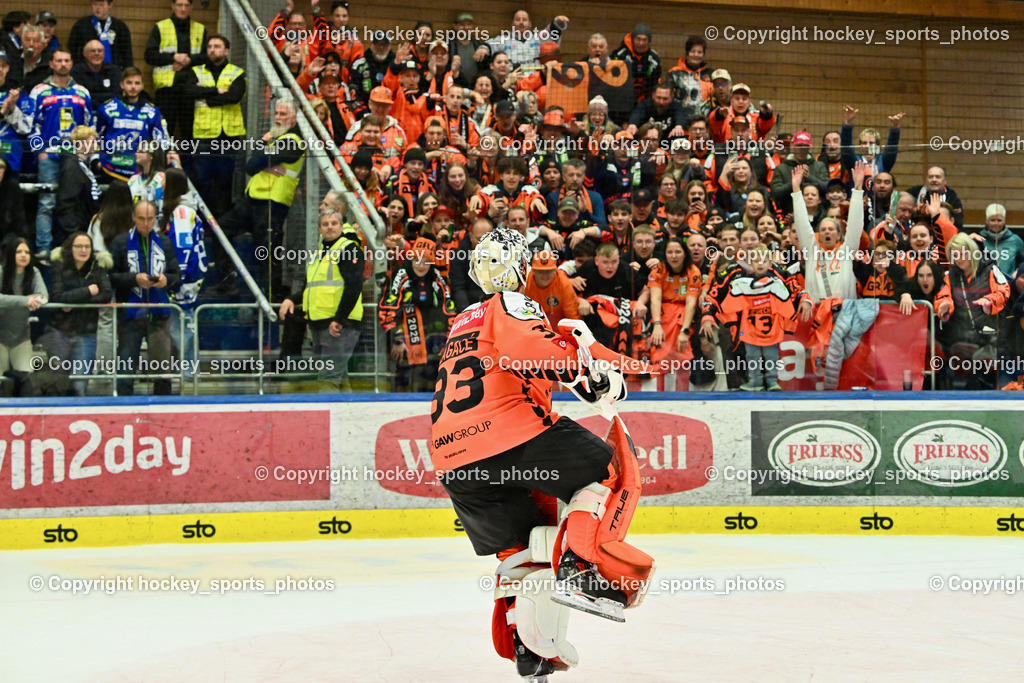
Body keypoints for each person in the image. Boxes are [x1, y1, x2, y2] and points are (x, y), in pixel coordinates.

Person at [431, 226, 653, 679]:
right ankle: (580, 563)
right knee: (607, 467)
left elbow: (518, 365)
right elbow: (533, 348)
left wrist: (589, 366)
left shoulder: (462, 321)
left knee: (523, 550)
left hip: (454, 459)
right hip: (507, 435)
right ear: (518, 267)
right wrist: (588, 376)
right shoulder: (510, 303)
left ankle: (529, 652)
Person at [215, 98, 305, 300]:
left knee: (268, 252)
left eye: (283, 114)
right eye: (277, 114)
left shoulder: (293, 141)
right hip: (253, 200)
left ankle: (272, 297)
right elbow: (252, 164)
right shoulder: (272, 139)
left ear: (293, 118)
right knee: (220, 229)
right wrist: (263, 146)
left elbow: (255, 163)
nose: (278, 118)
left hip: (273, 204)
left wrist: (262, 155)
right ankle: (227, 283)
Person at [278, 209, 365, 392]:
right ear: (319, 229)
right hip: (320, 324)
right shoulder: (319, 254)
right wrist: (291, 299)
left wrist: (339, 319)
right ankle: (351, 416)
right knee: (338, 379)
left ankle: (333, 419)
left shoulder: (349, 249)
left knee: (328, 379)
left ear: (342, 226)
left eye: (334, 223)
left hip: (339, 325)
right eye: (325, 224)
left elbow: (354, 287)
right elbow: (309, 288)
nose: (330, 227)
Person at [109, 200, 180, 395]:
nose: (146, 223)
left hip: (159, 315)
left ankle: (164, 406)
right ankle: (123, 404)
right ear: (133, 217)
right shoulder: (120, 242)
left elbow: (176, 276)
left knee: (163, 367)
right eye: (141, 219)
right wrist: (134, 279)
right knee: (126, 364)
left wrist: (167, 279)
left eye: (150, 219)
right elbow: (110, 277)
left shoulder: (164, 242)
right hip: (130, 315)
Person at [29, 48, 93, 258]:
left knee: (74, 203)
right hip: (49, 156)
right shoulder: (39, 91)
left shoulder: (83, 92)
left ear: (72, 63)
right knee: (46, 203)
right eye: (59, 61)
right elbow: (31, 124)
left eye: (67, 60)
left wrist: (86, 153)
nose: (63, 64)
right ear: (52, 64)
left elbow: (89, 125)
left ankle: (71, 248)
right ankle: (43, 249)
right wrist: (40, 150)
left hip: (74, 158)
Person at [378, 235, 456, 392]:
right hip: (404, 344)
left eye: (426, 261)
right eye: (417, 260)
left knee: (433, 389)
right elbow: (388, 309)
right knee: (403, 387)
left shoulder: (438, 277)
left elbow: (450, 311)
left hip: (433, 344)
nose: (421, 265)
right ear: (411, 258)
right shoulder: (399, 274)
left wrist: (448, 343)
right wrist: (397, 339)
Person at [720, 243, 802, 391]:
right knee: (752, 356)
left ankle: (772, 381)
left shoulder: (777, 284)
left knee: (771, 356)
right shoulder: (742, 283)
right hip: (750, 328)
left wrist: (790, 326)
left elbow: (787, 306)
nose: (760, 264)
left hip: (771, 329)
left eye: (764, 261)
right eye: (757, 260)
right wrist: (728, 320)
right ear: (751, 263)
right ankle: (755, 381)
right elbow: (729, 305)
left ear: (770, 263)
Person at [181, 34, 246, 219]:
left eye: (217, 46)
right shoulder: (196, 71)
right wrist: (216, 91)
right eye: (209, 46)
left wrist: (207, 98)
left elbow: (235, 96)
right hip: (204, 134)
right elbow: (188, 90)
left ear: (226, 50)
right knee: (202, 179)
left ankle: (222, 221)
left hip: (228, 136)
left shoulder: (236, 72)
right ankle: (201, 219)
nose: (212, 50)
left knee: (225, 180)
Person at [790, 162, 867, 303]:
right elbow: (802, 224)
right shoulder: (812, 251)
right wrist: (796, 190)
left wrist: (857, 189)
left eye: (831, 229)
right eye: (823, 229)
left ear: (839, 235)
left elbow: (855, 224)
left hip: (844, 312)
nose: (827, 232)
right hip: (817, 316)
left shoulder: (847, 250)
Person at [49, 231, 112, 395]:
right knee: (58, 382)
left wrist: (74, 303)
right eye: (78, 246)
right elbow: (56, 296)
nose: (83, 250)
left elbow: (106, 294)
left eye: (87, 246)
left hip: (87, 332)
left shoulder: (98, 267)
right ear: (70, 248)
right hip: (60, 331)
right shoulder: (59, 266)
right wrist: (87, 291)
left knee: (80, 384)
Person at [160, 168, 206, 378]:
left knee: (183, 326)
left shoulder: (182, 212)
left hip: (183, 280)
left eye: (163, 182)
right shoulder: (176, 210)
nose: (159, 185)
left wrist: (175, 279)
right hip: (180, 279)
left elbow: (183, 248)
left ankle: (189, 373)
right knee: (180, 325)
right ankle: (185, 371)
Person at [144, 0, 207, 139]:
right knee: (164, 131)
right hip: (167, 88)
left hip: (192, 88)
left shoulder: (200, 29)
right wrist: (173, 57)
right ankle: (163, 161)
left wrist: (188, 60)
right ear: (172, 6)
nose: (183, 9)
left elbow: (206, 56)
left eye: (186, 5)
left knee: (190, 133)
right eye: (179, 5)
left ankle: (188, 161)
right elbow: (149, 56)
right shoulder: (160, 27)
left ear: (191, 7)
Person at [95, 66, 170, 182]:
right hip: (110, 168)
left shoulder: (152, 111)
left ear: (142, 86)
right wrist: (96, 161)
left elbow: (161, 140)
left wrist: (169, 152)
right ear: (122, 85)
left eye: (137, 83)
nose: (133, 87)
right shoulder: (106, 108)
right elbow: (96, 137)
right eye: (129, 83)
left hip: (139, 171)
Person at [0, 236, 47, 374]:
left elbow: (43, 297)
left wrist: (35, 299)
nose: (23, 255)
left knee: (27, 379)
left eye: (27, 252)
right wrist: (25, 300)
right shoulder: (1, 271)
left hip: (21, 337)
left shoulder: (34, 272)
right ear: (11, 254)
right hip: (0, 336)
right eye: (19, 252)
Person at [56, 125, 103, 245]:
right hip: (75, 234)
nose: (95, 146)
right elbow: (67, 204)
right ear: (81, 143)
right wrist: (74, 234)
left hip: (84, 229)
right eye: (92, 142)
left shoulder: (83, 166)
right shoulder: (72, 167)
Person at [68, 0, 134, 69]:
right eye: (95, 4)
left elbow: (127, 56)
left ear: (110, 5)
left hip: (113, 72)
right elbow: (71, 50)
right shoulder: (81, 25)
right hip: (86, 72)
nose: (97, 8)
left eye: (101, 5)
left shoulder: (120, 27)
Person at [524, 249, 580, 327]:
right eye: (540, 271)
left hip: (560, 330)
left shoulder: (564, 284)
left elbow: (572, 317)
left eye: (548, 271)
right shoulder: (526, 283)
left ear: (555, 271)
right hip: (534, 327)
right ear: (533, 271)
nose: (544, 276)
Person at [611, 24, 661, 106]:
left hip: (645, 99)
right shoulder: (621, 55)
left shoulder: (654, 58)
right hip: (623, 99)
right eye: (638, 39)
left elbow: (655, 83)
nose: (641, 43)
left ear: (649, 41)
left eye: (644, 40)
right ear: (633, 39)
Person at [971, 203, 1024, 279]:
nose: (996, 223)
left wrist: (1018, 271)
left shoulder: (1015, 240)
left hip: (1009, 282)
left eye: (999, 220)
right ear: (987, 221)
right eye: (992, 220)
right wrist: (968, 239)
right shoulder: (979, 239)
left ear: (1004, 221)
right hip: (985, 283)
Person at [69, 39, 121, 109]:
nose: (97, 53)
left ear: (104, 53)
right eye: (92, 51)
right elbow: (80, 96)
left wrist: (93, 96)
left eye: (100, 51)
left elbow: (117, 95)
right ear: (85, 54)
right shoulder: (77, 72)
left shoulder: (114, 70)